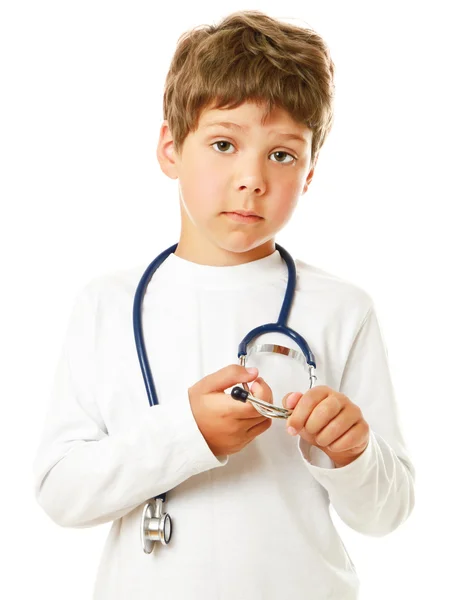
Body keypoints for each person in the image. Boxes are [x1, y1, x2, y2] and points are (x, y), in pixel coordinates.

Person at [33, 9, 415, 600]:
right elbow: (62, 492)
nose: (252, 178)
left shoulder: (343, 309)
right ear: (169, 148)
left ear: (310, 172)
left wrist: (352, 453)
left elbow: (386, 513)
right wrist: (188, 433)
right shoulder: (106, 305)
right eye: (223, 143)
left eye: (282, 155)